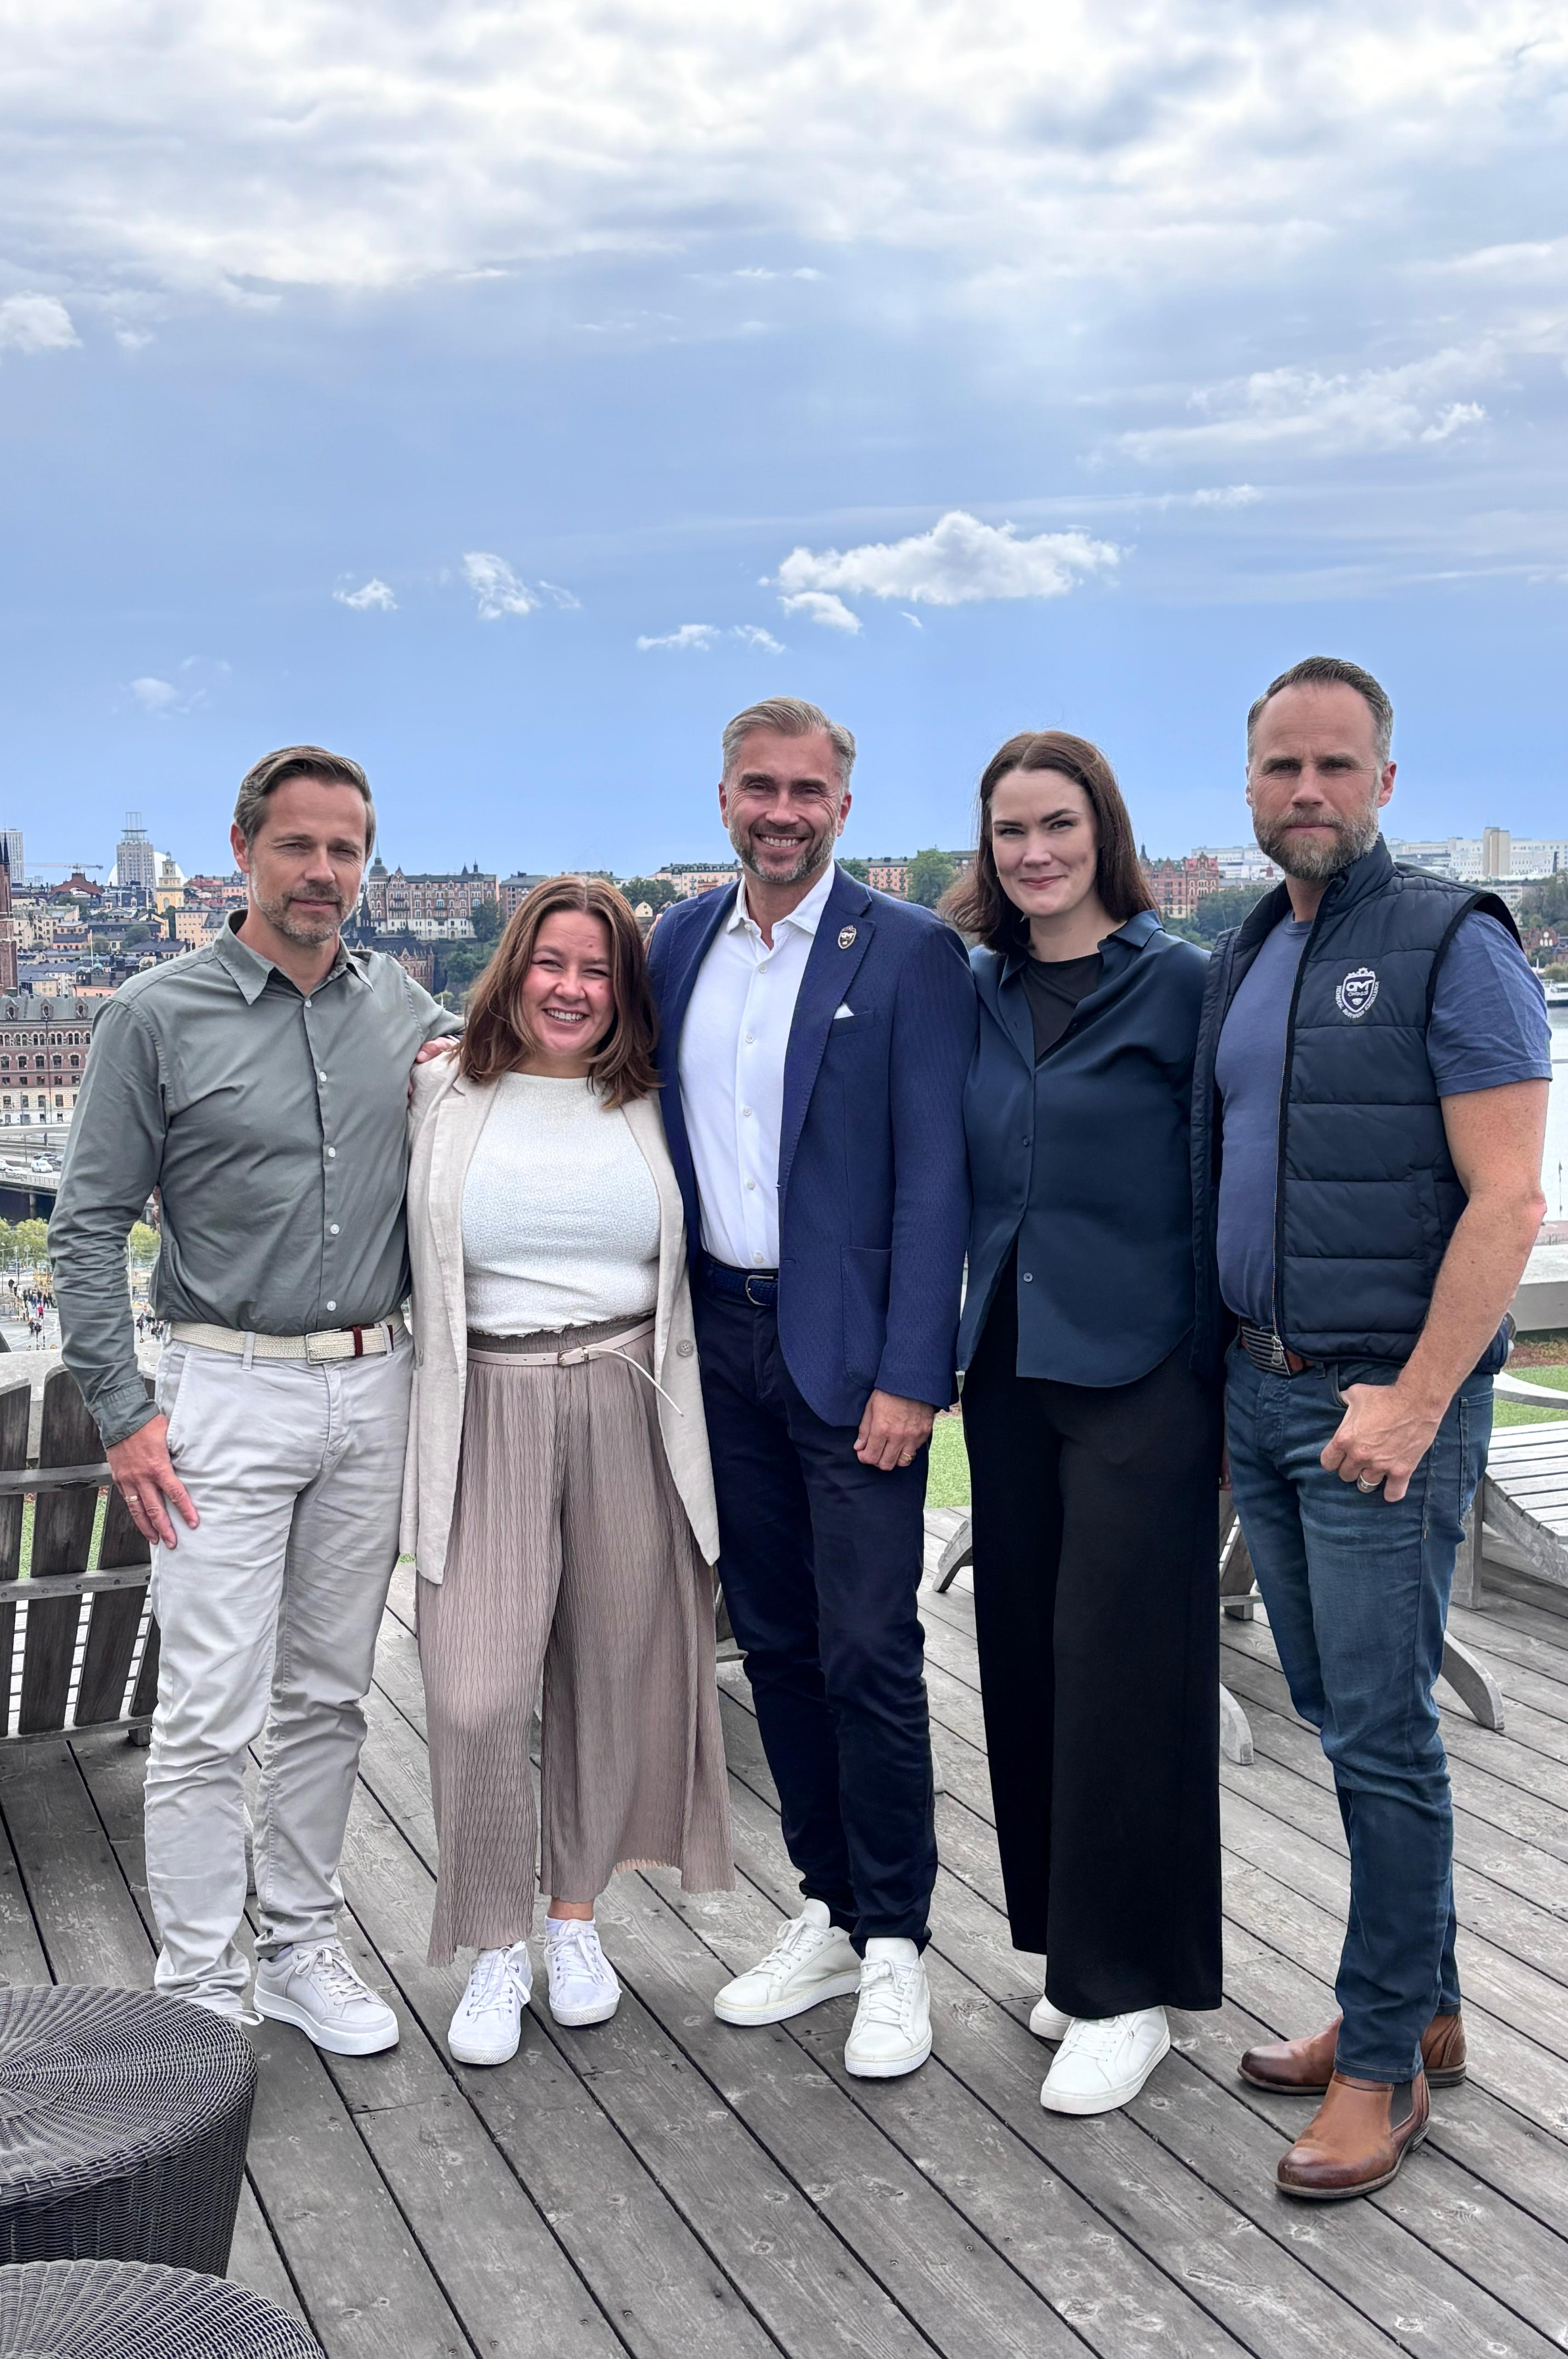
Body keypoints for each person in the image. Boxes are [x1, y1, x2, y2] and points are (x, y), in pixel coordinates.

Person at [1194, 657, 1550, 2200]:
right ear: (1250, 783)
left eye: (1336, 766)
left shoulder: (1456, 942)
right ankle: (1428, 2002)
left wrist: (1415, 1401)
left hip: (1380, 1410)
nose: (1308, 792)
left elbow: (1510, 1199)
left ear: (1386, 783)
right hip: (1263, 1388)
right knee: (1346, 1712)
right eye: (1283, 767)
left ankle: (1385, 2062)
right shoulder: (1244, 949)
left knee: (1384, 1734)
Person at [49, 745, 456, 2046]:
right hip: (222, 1392)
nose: (323, 872)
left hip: (374, 1385)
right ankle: (198, 1983)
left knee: (331, 1696)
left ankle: (297, 1946)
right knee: (209, 1712)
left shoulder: (401, 1006)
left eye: (346, 850)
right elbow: (84, 1227)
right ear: (241, 852)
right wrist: (126, 1413)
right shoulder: (153, 1015)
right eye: (298, 846)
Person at [647, 696, 975, 2079]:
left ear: (844, 805)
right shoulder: (674, 944)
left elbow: (937, 1178)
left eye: (805, 792)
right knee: (775, 1641)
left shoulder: (908, 952)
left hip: (853, 1359)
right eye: (758, 788)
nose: (780, 812)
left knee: (869, 1650)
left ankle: (897, 1941)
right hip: (716, 1341)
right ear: (724, 797)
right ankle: (831, 1909)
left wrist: (914, 1374)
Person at [403, 876, 732, 2068]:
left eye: (598, 971)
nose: (572, 989)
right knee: (476, 1691)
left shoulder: (656, 1101)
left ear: (625, 990)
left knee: (611, 1672)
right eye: (552, 963)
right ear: (514, 969)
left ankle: (574, 1919)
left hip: (630, 1401)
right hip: (484, 1404)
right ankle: (495, 1941)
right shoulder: (441, 1090)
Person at [946, 731, 1222, 2118]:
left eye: (1058, 824)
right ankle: (1071, 1944)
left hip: (1144, 1371)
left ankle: (1133, 1990)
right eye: (1012, 831)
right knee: (1026, 1659)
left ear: (1103, 831)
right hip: (1006, 1365)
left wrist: (1221, 1380)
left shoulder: (1182, 987)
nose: (1035, 852)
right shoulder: (978, 986)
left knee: (1126, 1671)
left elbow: (1223, 1186)